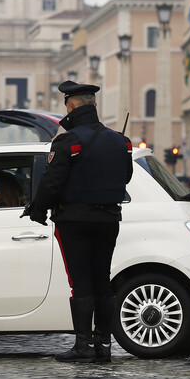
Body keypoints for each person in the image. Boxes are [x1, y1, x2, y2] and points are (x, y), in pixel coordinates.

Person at [22, 80, 132, 363]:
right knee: (102, 280)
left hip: (74, 221)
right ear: (93, 106)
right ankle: (104, 346)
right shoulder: (121, 141)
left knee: (80, 282)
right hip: (109, 219)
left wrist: (37, 210)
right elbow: (127, 176)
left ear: (71, 106)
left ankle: (83, 346)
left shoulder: (68, 142)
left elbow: (51, 182)